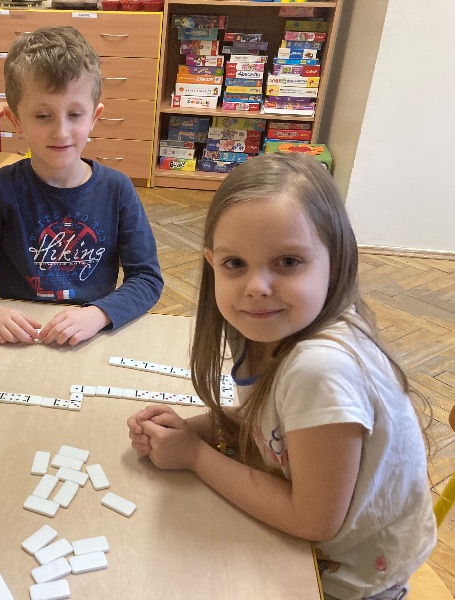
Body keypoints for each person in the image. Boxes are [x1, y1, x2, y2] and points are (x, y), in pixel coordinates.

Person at [127, 153, 436, 600]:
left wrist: (195, 456)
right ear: (212, 263)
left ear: (336, 261)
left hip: (348, 581)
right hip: (308, 547)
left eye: (288, 262)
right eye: (235, 263)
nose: (256, 287)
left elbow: (313, 519)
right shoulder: (265, 325)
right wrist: (197, 429)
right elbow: (275, 424)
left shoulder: (320, 369)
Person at [0, 25, 163, 346]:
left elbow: (147, 279)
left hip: (91, 337)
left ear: (94, 117)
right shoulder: (1, 188)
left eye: (75, 114)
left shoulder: (118, 190)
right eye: (43, 116)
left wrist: (99, 314)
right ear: (16, 120)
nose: (61, 132)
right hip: (19, 339)